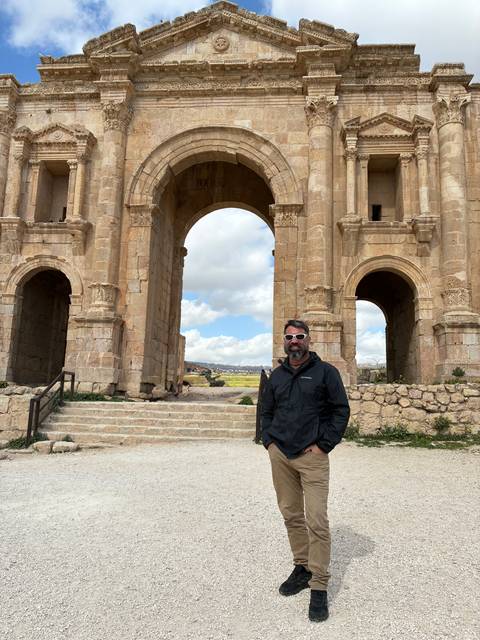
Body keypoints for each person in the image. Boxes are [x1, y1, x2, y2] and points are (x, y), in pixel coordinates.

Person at [261, 319, 350, 622]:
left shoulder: (326, 372)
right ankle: (302, 566)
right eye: (289, 337)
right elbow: (266, 410)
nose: (295, 341)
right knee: (290, 514)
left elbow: (341, 410)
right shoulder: (276, 376)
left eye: (300, 336)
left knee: (317, 520)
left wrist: (325, 444)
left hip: (312, 456)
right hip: (281, 455)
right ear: (283, 342)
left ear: (309, 340)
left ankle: (319, 586)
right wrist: (269, 442)